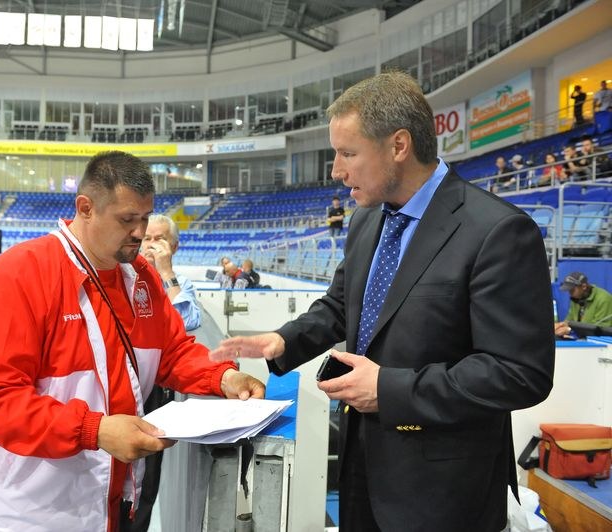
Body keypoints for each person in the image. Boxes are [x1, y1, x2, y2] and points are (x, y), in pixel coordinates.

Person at [209, 72, 555, 531]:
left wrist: (389, 390)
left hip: (445, 493)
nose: (336, 170)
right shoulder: (367, 220)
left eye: (348, 153)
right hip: (362, 470)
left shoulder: (497, 231)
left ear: (398, 145)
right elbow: (341, 306)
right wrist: (281, 341)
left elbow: (519, 373)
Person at [0, 151, 265, 532]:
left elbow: (172, 352)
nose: (139, 232)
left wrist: (222, 378)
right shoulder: (19, 276)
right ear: (85, 208)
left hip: (112, 505)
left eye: (146, 217)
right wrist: (94, 431)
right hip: (28, 514)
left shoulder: (141, 277)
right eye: (127, 219)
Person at [128, 213, 201, 532]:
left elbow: (187, 324)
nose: (151, 245)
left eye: (159, 239)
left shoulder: (179, 283)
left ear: (173, 246)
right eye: (146, 238)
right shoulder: (123, 276)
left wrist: (166, 273)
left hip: (157, 389)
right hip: (122, 381)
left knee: (147, 473)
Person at [554, 272, 612, 337]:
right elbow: (570, 320)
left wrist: (569, 330)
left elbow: (600, 328)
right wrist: (560, 325)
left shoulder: (604, 299)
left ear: (584, 286)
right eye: (569, 290)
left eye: (572, 290)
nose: (570, 293)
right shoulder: (576, 298)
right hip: (580, 338)